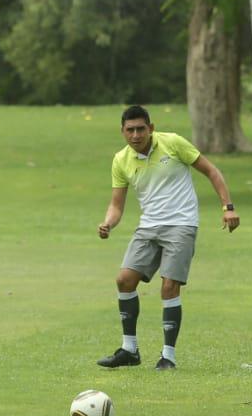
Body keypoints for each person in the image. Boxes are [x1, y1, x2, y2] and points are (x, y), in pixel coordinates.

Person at [95, 105, 240, 370]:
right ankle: (129, 350)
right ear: (123, 132)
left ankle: (168, 357)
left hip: (181, 225)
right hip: (149, 227)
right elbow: (117, 205)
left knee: (169, 286)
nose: (136, 135)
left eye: (141, 129)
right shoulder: (121, 160)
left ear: (151, 128)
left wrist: (227, 208)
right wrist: (108, 223)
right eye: (130, 130)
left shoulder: (172, 143)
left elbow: (211, 171)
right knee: (124, 280)